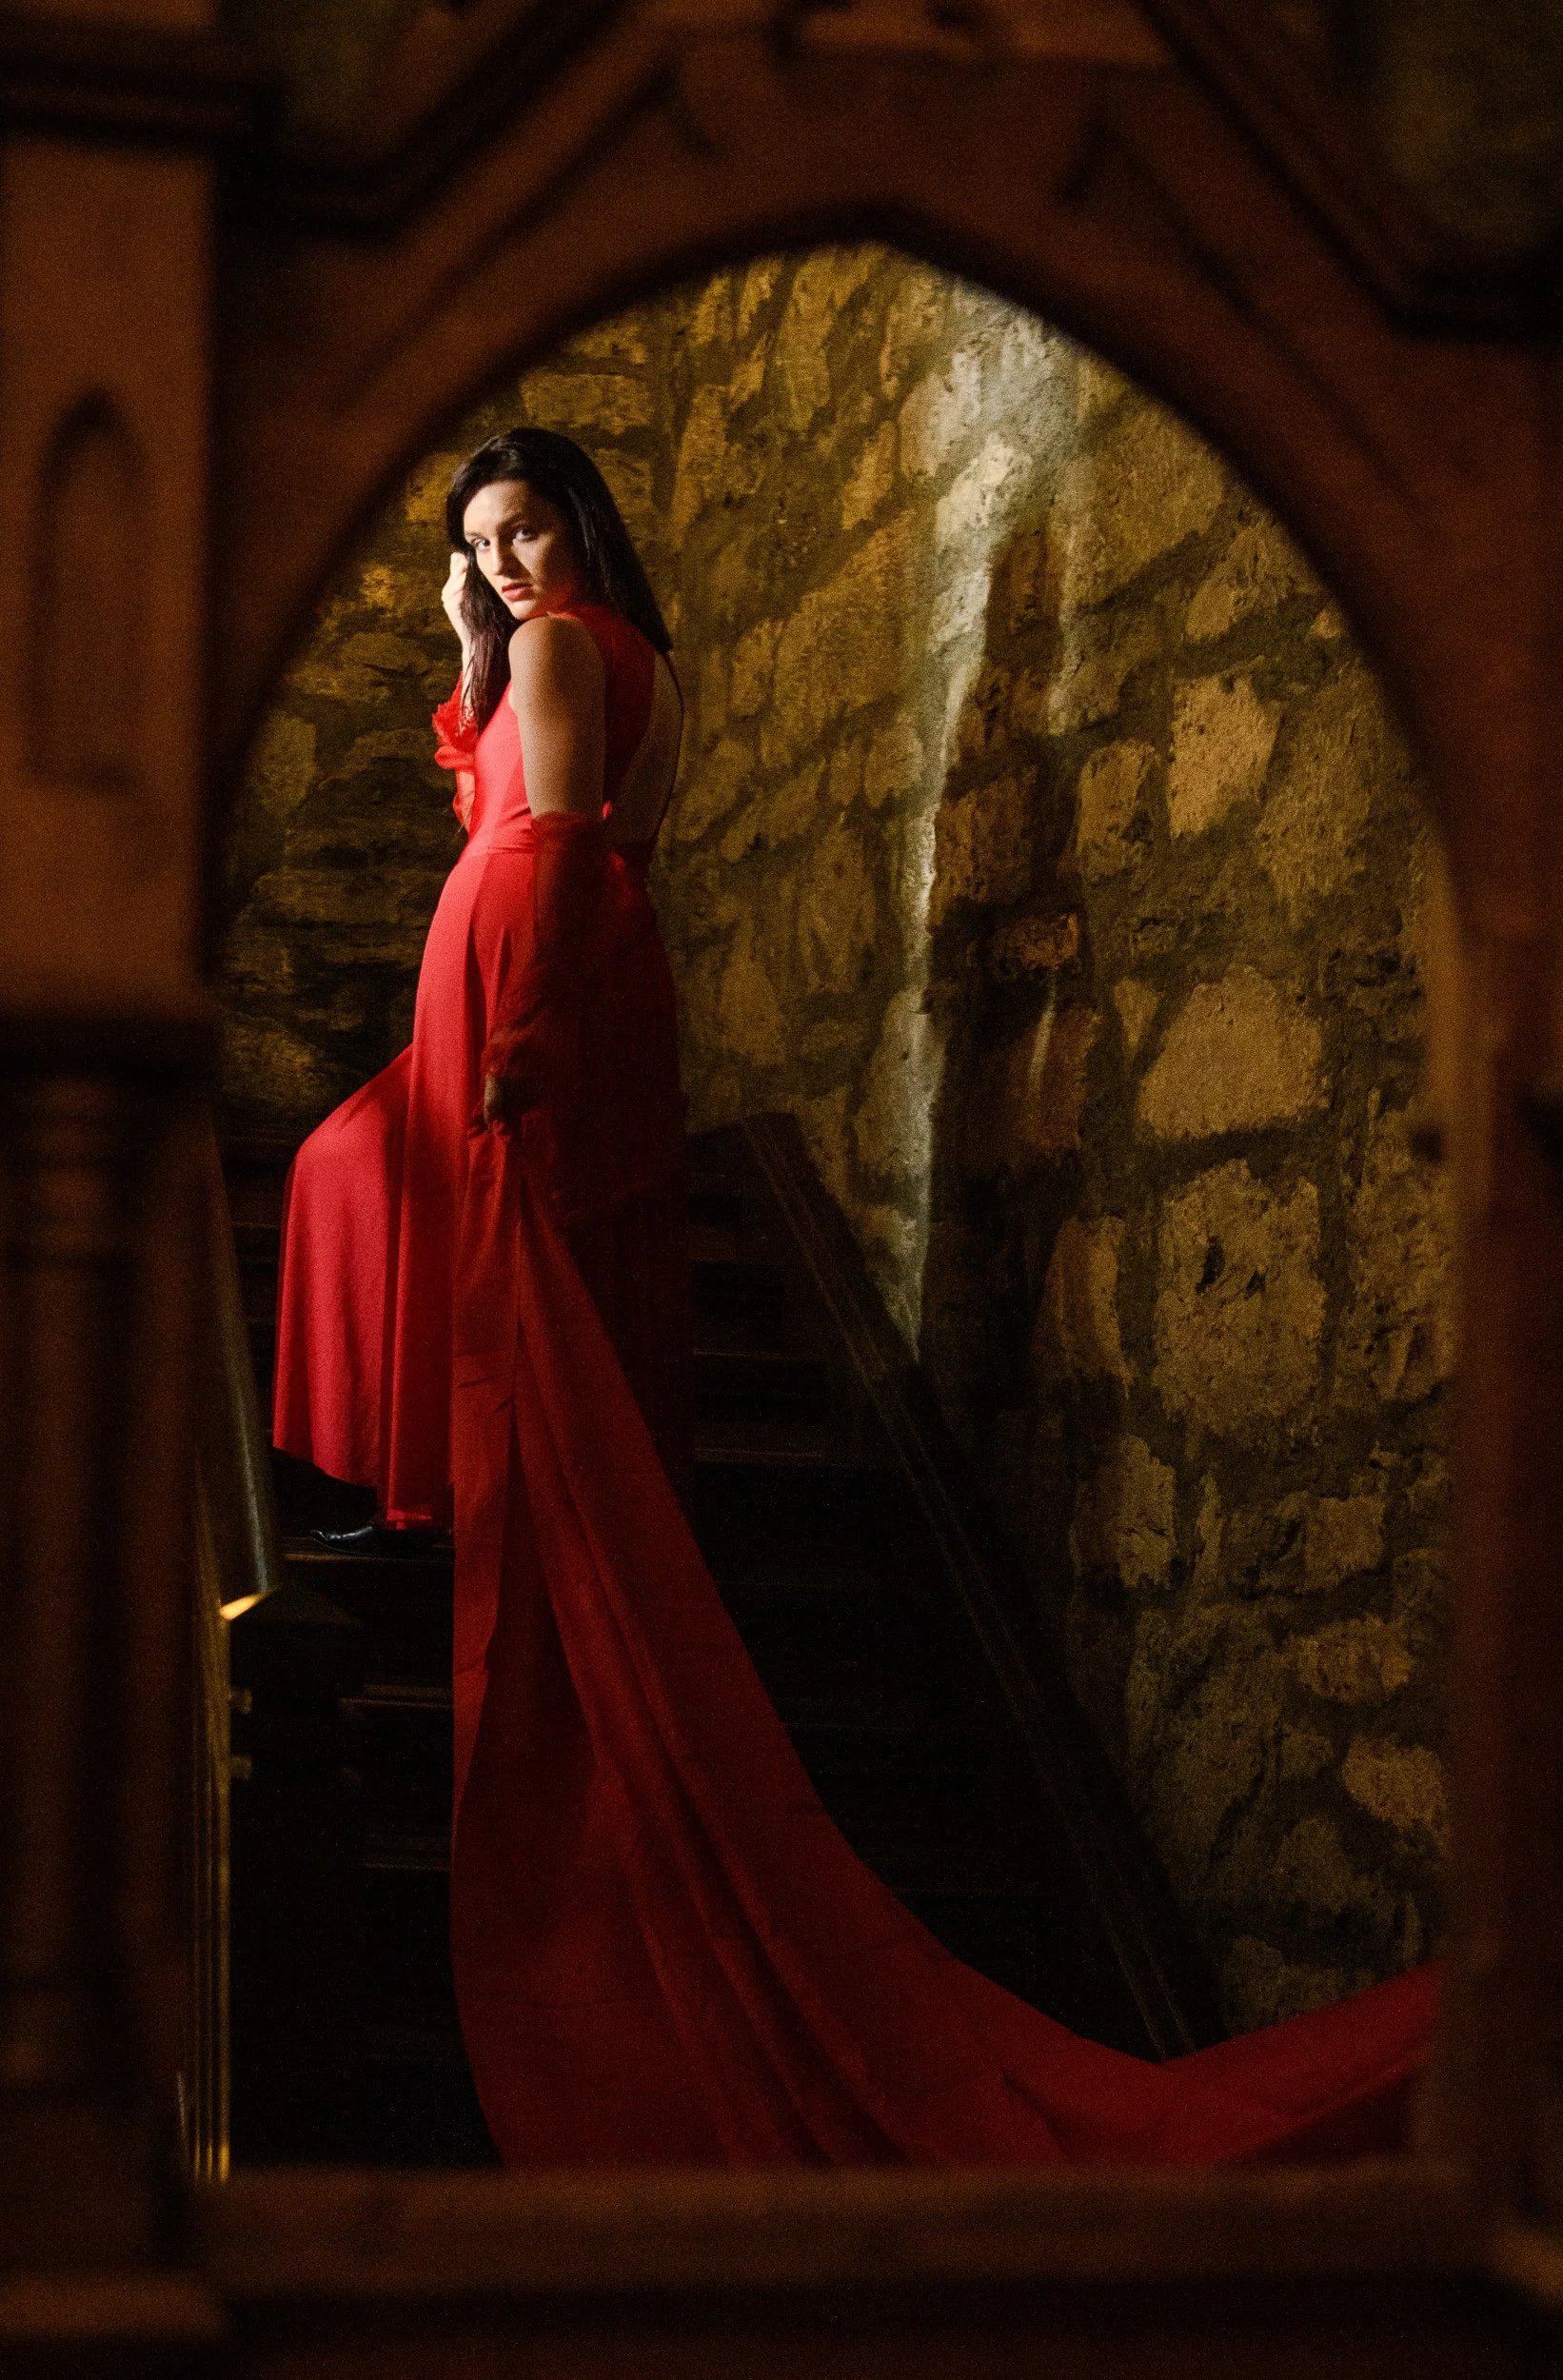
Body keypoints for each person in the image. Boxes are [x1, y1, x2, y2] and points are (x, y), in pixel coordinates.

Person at [274, 427, 1435, 2168]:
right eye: (480, 542)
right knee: (370, 1175)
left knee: (421, 1202)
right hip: (558, 954)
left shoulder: (567, 645)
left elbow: (561, 837)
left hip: (533, 954)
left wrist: (526, 1025)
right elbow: (543, 810)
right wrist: (464, 653)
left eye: (524, 530)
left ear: (579, 526)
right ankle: (450, 1483)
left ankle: (477, 1503)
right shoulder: (599, 649)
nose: (504, 563)